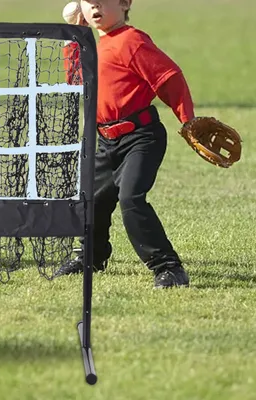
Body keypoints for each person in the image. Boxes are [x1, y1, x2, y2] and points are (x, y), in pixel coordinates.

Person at [55, 0, 194, 288]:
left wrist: (188, 119)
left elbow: (169, 78)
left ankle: (168, 268)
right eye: (89, 2)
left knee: (130, 198)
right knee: (91, 200)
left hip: (140, 138)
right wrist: (74, 39)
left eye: (103, 2)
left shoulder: (132, 40)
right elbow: (75, 82)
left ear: (125, 3)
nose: (95, 8)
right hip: (104, 141)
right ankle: (91, 257)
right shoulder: (91, 44)